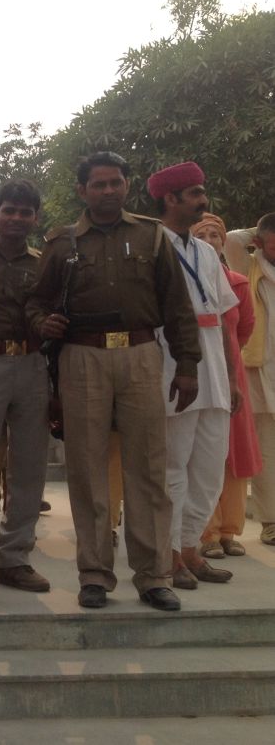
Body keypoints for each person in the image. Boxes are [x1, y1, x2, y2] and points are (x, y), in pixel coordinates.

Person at [27, 151, 200, 613]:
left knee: (148, 469)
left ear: (128, 185)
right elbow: (35, 302)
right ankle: (95, 575)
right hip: (82, 358)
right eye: (98, 184)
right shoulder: (62, 243)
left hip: (143, 355)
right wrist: (44, 322)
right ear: (82, 191)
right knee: (86, 469)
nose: (108, 190)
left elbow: (178, 305)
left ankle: (154, 575)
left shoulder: (151, 234)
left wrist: (187, 364)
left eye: (116, 182)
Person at [146, 163, 240, 590]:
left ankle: (191, 549)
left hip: (215, 370)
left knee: (210, 467)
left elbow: (222, 318)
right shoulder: (150, 244)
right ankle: (167, 555)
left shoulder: (206, 252)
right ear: (171, 199)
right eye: (195, 193)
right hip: (171, 365)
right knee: (173, 467)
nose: (204, 200)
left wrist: (232, 379)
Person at [0, 180, 52, 593]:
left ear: (35, 218)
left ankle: (15, 559)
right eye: (9, 210)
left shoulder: (44, 264)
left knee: (29, 467)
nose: (17, 218)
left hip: (33, 364)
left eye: (25, 212)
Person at [192, 212, 262, 558]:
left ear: (222, 242)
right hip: (199, 372)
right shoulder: (184, 280)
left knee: (235, 454)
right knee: (204, 453)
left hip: (232, 375)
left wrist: (230, 358)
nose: (210, 240)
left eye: (214, 235)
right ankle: (205, 531)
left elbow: (245, 327)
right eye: (201, 235)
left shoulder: (237, 282)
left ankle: (229, 532)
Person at [240, 213, 275, 546]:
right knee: (266, 453)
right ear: (260, 243)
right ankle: (270, 521)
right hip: (261, 369)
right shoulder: (249, 264)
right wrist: (260, 230)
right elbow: (231, 238)